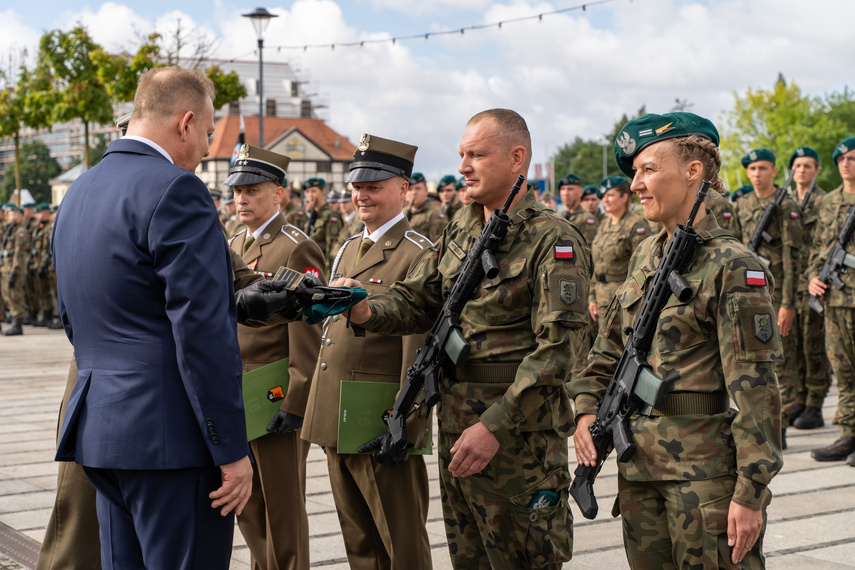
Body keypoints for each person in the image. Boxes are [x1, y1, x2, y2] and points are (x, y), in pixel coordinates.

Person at [343, 109, 590, 569]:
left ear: (517, 158)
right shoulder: (464, 223)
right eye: (462, 154)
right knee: (469, 559)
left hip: (516, 439)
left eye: (476, 154)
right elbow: (421, 297)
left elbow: (560, 350)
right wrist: (363, 308)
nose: (463, 167)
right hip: (457, 426)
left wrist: (495, 425)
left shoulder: (552, 239)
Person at [50, 66, 253, 569]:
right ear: (185, 123)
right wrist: (230, 450)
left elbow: (73, 318)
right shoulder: (178, 192)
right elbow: (203, 335)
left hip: (103, 437)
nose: (207, 150)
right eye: (208, 133)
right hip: (173, 445)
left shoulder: (79, 192)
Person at [571, 111, 783, 569]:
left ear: (694, 171)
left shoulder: (732, 265)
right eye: (635, 173)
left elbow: (757, 391)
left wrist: (751, 493)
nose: (635, 184)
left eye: (649, 169)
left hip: (703, 479)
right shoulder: (647, 254)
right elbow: (609, 346)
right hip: (638, 470)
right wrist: (587, 409)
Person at [301, 133, 433, 570]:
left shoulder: (418, 254)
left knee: (402, 546)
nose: (361, 195)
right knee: (360, 544)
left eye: (374, 186)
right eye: (358, 186)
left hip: (378, 420)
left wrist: (405, 426)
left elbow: (417, 350)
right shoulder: (349, 247)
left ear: (403, 189)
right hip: (338, 415)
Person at [226, 144, 326, 569]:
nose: (242, 199)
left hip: (273, 390)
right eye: (237, 191)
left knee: (281, 508)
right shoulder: (231, 242)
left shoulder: (295, 248)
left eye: (253, 190)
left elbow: (306, 327)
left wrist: (297, 396)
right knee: (246, 505)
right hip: (236, 391)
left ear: (278, 194)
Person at [731, 148, 803, 441]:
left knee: (783, 361)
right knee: (753, 359)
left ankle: (782, 423)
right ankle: (758, 422)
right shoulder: (742, 204)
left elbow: (792, 255)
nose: (757, 174)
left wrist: (788, 303)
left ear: (774, 171)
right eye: (752, 169)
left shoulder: (786, 204)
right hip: (748, 292)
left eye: (763, 168)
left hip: (777, 292)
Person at [808, 136, 855, 465]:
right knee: (844, 370)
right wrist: (813, 276)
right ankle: (849, 433)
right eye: (841, 159)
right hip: (836, 299)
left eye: (852, 158)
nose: (846, 164)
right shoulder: (828, 202)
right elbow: (818, 248)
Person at [788, 146, 830, 430]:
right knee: (794, 348)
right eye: (798, 166)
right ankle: (799, 401)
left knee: (814, 347)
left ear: (816, 171)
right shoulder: (784, 201)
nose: (802, 170)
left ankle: (815, 405)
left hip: (815, 283)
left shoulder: (826, 202)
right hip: (791, 285)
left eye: (807, 166)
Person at [587, 176, 650, 328]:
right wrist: (592, 297)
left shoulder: (636, 225)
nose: (605, 200)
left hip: (624, 300)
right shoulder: (603, 225)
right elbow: (596, 265)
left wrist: (632, 301)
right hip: (601, 298)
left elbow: (643, 268)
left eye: (610, 195)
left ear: (624, 196)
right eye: (603, 196)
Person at [1, 205, 31, 336]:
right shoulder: (10, 230)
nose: (9, 216)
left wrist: (14, 271)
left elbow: (19, 254)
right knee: (7, 297)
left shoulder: (20, 231)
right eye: (8, 214)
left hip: (15, 270)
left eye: (12, 214)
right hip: (5, 269)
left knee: (15, 296)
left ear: (19, 215)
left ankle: (17, 325)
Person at [301, 177, 343, 269]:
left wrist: (328, 276)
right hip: (312, 266)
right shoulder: (313, 215)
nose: (310, 195)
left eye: (313, 191)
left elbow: (332, 249)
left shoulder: (331, 215)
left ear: (323, 191)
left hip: (324, 268)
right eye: (307, 192)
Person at [404, 172, 445, 242]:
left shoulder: (435, 213)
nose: (413, 192)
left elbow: (438, 246)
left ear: (426, 191)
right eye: (410, 189)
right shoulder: (402, 212)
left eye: (418, 188)